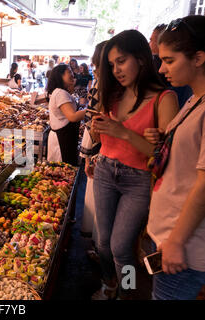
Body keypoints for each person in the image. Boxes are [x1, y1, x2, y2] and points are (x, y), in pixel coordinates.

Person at [90, 29, 179, 300]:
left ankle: (127, 293)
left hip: (138, 180)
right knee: (103, 243)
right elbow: (101, 137)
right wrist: (97, 132)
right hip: (105, 169)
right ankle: (110, 283)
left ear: (141, 58)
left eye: (121, 61)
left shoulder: (165, 99)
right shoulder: (114, 94)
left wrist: (124, 132)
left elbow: (164, 156)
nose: (116, 70)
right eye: (111, 64)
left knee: (121, 247)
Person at [144, 15, 205, 300]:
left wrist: (177, 241)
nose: (161, 68)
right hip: (169, 234)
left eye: (169, 60)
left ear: (198, 58)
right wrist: (164, 137)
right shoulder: (194, 99)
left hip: (185, 247)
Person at [79, 41, 108, 261]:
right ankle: (119, 285)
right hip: (110, 158)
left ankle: (123, 287)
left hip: (106, 157)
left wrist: (88, 155)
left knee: (119, 243)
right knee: (118, 240)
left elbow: (91, 121)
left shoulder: (101, 84)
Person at [46, 64, 86, 165]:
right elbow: (72, 116)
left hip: (65, 138)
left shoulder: (60, 92)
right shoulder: (60, 93)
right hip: (62, 140)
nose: (73, 74)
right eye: (69, 72)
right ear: (60, 76)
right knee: (63, 171)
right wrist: (91, 111)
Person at [150, 24, 193, 107]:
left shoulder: (174, 94)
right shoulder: (192, 100)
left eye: (169, 61)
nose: (161, 70)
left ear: (198, 59)